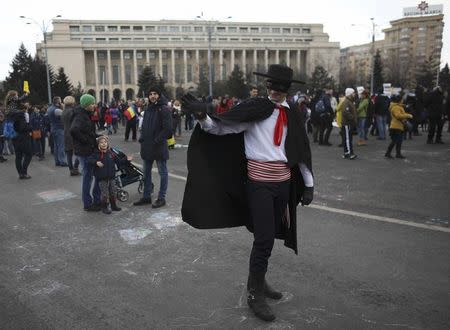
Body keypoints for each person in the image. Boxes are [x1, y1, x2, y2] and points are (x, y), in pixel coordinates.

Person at [181, 64, 314, 322]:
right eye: (271, 87)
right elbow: (221, 128)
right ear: (266, 87)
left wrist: (308, 184)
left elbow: (301, 151)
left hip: (283, 183)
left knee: (272, 233)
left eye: (280, 88)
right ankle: (254, 292)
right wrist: (202, 117)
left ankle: (260, 280)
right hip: (259, 183)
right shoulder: (256, 108)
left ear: (287, 89)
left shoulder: (293, 113)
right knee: (263, 238)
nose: (274, 92)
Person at [133, 86, 172, 208]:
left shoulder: (164, 109)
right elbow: (144, 126)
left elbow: (168, 130)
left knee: (162, 173)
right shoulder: (148, 108)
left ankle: (161, 198)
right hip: (147, 146)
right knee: (146, 174)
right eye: (150, 94)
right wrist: (142, 137)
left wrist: (157, 140)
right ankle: (146, 196)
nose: (152, 96)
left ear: (159, 95)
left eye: (155, 93)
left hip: (158, 146)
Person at [70, 94, 101, 211]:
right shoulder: (80, 116)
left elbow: (87, 131)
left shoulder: (85, 114)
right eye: (92, 103)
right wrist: (86, 141)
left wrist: (97, 137)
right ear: (86, 105)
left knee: (93, 175)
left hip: (88, 149)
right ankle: (88, 203)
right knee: (88, 177)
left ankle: (95, 200)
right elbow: (74, 130)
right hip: (84, 151)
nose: (94, 105)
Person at [88, 135, 124, 214]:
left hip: (111, 177)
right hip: (102, 177)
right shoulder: (96, 153)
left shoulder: (111, 153)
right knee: (104, 193)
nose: (104, 144)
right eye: (101, 142)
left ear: (107, 143)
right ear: (98, 144)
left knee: (113, 192)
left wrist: (126, 160)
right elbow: (89, 160)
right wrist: (96, 162)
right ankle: (104, 207)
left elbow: (119, 161)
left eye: (105, 142)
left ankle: (113, 206)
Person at [7, 103, 33, 179]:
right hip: (23, 137)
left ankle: (20, 173)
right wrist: (30, 127)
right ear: (23, 109)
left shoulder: (12, 115)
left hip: (14, 137)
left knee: (18, 156)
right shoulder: (21, 115)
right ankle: (24, 172)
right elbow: (23, 127)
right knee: (29, 154)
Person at [385, 94, 413, 159]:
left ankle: (398, 154)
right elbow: (398, 115)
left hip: (399, 126)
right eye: (402, 99)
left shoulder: (398, 106)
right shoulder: (396, 107)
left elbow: (401, 114)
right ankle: (388, 153)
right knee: (394, 141)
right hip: (395, 126)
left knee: (399, 141)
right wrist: (408, 115)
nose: (403, 100)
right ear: (399, 100)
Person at [61, 96, 80, 176]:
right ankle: (75, 167)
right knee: (79, 152)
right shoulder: (73, 111)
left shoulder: (63, 111)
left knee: (69, 153)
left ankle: (71, 170)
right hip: (74, 133)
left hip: (66, 133)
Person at [47, 96, 68, 166]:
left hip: (53, 128)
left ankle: (57, 161)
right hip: (59, 129)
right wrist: (63, 107)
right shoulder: (57, 110)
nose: (61, 102)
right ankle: (62, 161)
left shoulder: (49, 108)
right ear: (58, 102)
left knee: (56, 146)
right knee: (61, 145)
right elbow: (65, 115)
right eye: (60, 101)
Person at [341, 88, 357, 159]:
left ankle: (346, 152)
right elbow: (345, 112)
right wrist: (352, 118)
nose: (354, 94)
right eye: (353, 93)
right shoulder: (347, 102)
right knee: (348, 139)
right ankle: (349, 153)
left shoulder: (349, 101)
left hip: (348, 123)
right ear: (350, 94)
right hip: (347, 123)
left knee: (347, 138)